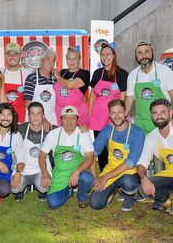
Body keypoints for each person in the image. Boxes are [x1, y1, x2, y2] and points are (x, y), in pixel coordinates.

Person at [89, 99, 145, 211]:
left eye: (119, 112)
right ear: (109, 115)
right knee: (95, 204)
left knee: (128, 182)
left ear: (125, 113)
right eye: (113, 113)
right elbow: (93, 152)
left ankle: (129, 195)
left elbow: (131, 162)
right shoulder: (107, 130)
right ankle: (113, 190)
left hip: (129, 172)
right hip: (111, 169)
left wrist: (105, 177)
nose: (117, 116)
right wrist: (96, 177)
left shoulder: (137, 132)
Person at [39, 105, 95, 209]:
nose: (69, 122)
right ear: (61, 121)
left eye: (73, 118)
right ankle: (68, 191)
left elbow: (90, 157)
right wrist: (45, 174)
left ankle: (81, 196)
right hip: (61, 174)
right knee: (52, 203)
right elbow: (42, 155)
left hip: (79, 173)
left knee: (87, 178)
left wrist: (77, 172)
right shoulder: (53, 134)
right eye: (65, 118)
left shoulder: (83, 134)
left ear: (78, 120)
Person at [89, 43, 128, 171]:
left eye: (108, 54)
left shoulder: (122, 74)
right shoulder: (97, 73)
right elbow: (93, 95)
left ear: (114, 56)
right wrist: (90, 113)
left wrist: (118, 117)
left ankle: (116, 175)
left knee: (114, 147)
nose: (105, 57)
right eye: (102, 54)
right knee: (101, 150)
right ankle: (104, 177)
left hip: (114, 118)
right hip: (98, 117)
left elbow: (123, 98)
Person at [125, 41, 173, 135]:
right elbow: (129, 100)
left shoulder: (164, 71)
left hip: (162, 125)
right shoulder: (133, 75)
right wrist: (121, 117)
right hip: (141, 127)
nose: (143, 56)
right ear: (136, 56)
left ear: (152, 53)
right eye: (139, 53)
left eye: (146, 51)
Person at [12, 101, 56, 201]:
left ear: (43, 116)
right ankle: (22, 189)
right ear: (28, 116)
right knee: (15, 189)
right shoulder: (20, 129)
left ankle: (41, 189)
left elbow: (67, 128)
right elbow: (2, 127)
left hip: (41, 168)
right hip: (23, 168)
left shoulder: (50, 129)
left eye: (39, 113)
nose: (35, 117)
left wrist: (81, 127)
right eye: (32, 113)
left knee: (43, 188)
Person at [137, 98, 173, 213]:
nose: (159, 116)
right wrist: (144, 178)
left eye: (163, 112)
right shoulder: (151, 137)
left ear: (170, 113)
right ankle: (163, 196)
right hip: (169, 174)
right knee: (142, 188)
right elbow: (142, 163)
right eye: (155, 113)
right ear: (151, 116)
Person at [53, 46, 90, 126]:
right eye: (69, 58)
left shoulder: (84, 73)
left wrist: (58, 77)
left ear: (79, 59)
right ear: (66, 59)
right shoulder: (62, 72)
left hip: (78, 114)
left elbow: (70, 85)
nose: (71, 61)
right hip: (61, 113)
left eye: (74, 58)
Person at [24, 49, 57, 125]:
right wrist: (42, 119)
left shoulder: (55, 79)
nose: (50, 62)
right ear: (41, 61)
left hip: (52, 120)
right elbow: (27, 103)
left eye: (53, 60)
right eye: (48, 59)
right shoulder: (32, 78)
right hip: (34, 121)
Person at [2, 42, 32, 124]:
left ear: (20, 56)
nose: (12, 56)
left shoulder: (28, 74)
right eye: (9, 54)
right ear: (5, 56)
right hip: (3, 122)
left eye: (15, 54)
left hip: (21, 122)